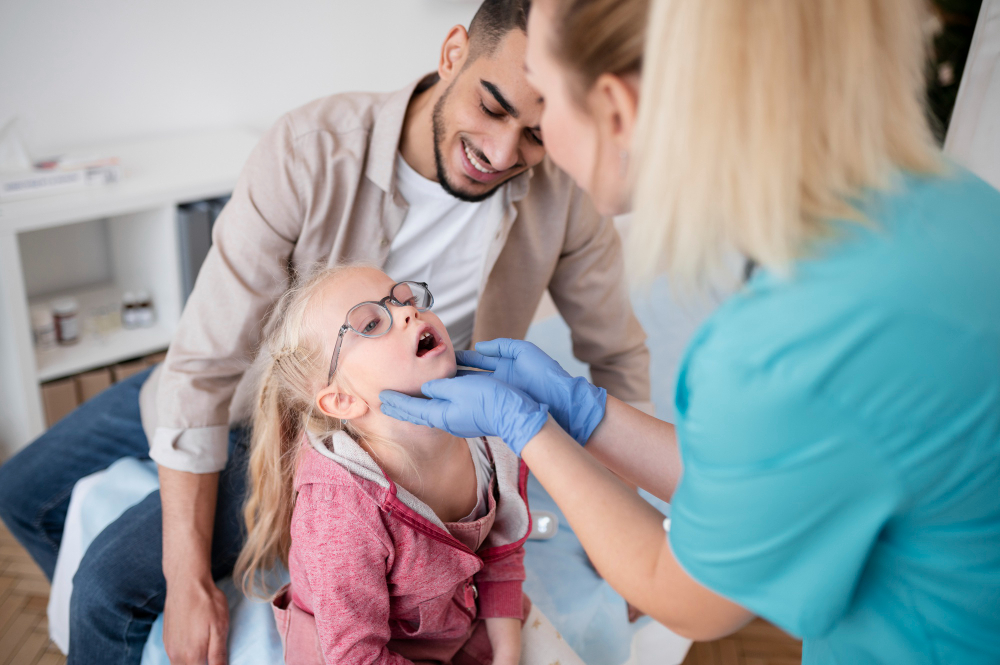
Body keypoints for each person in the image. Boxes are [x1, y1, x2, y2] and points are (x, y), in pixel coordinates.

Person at [0, 0, 650, 662]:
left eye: (537, 134)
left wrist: (629, 537)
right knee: (21, 491)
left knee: (107, 589)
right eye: (492, 106)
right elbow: (203, 362)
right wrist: (186, 577)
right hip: (243, 374)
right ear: (453, 52)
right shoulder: (309, 150)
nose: (504, 151)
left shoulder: (562, 196)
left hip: (316, 420)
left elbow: (617, 354)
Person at [380, 0, 1000, 663]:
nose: (532, 136)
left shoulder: (786, 346)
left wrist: (530, 430)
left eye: (543, 94)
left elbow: (691, 594)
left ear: (616, 110)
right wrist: (583, 414)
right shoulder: (950, 203)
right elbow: (754, 474)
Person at [234, 265, 583, 665]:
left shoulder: (491, 439)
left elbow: (500, 553)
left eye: (404, 299)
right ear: (343, 401)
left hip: (458, 623)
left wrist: (506, 655)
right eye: (370, 323)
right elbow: (355, 656)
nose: (407, 313)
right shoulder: (340, 511)